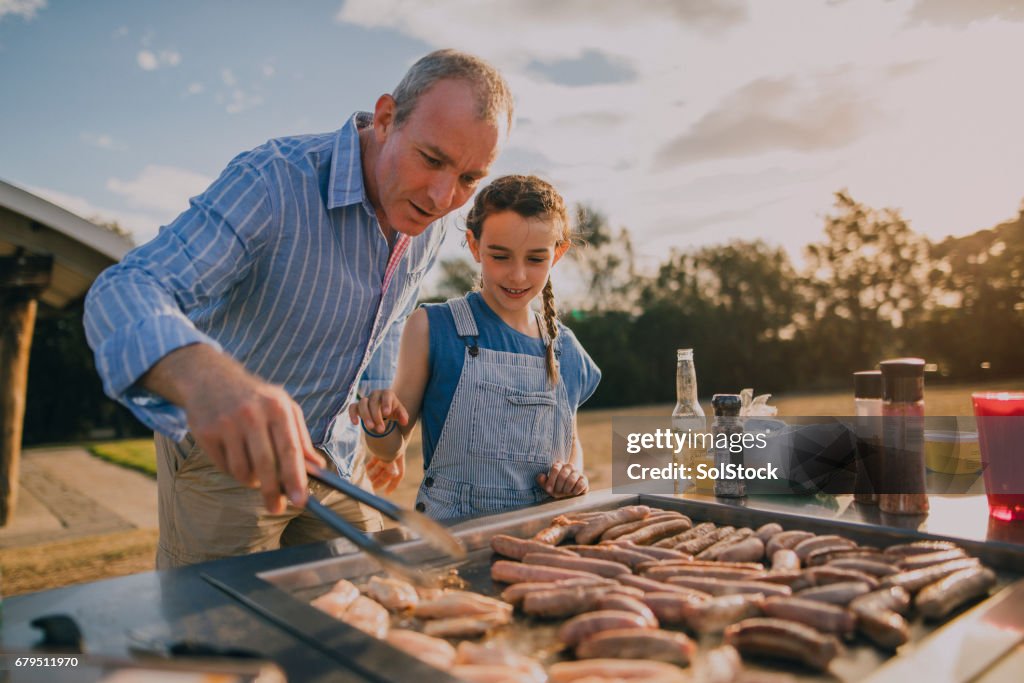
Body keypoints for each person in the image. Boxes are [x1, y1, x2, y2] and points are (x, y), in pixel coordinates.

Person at [83, 49, 514, 568]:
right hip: (230, 465)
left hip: (339, 459)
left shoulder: (433, 219)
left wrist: (377, 399)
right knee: (227, 638)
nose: (444, 195)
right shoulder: (272, 181)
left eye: (470, 178)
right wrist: (206, 379)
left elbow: (391, 315)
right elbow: (125, 288)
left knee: (373, 606)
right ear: (384, 119)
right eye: (432, 158)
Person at [349, 175, 601, 520]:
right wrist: (378, 425)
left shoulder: (565, 349)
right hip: (454, 536)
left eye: (535, 259)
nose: (517, 275)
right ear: (473, 245)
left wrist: (573, 473)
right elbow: (391, 447)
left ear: (558, 253)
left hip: (543, 536)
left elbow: (570, 444)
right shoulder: (431, 327)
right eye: (500, 256)